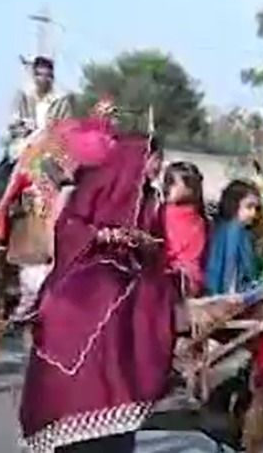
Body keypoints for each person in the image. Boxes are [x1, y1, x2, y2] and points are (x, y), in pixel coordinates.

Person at [18, 130, 174, 453]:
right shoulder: (95, 187)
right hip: (89, 270)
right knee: (86, 301)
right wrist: (105, 237)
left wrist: (144, 246)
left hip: (134, 275)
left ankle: (119, 401)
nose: (159, 166)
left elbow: (158, 247)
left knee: (143, 307)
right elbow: (69, 228)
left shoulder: (151, 199)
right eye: (155, 158)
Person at [205, 179, 263, 296]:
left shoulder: (223, 228)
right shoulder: (235, 231)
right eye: (249, 207)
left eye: (256, 208)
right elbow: (231, 270)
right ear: (234, 204)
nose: (253, 213)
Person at [8, 56, 73, 160]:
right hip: (26, 144)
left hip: (52, 147)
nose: (44, 79)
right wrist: (25, 128)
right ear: (34, 76)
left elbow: (67, 126)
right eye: (40, 75)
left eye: (48, 76)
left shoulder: (61, 99)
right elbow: (13, 124)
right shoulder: (24, 95)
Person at [161, 161, 208, 297]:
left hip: (179, 279)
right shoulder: (200, 218)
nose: (166, 187)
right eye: (166, 181)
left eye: (172, 182)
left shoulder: (167, 214)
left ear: (191, 188)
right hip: (190, 279)